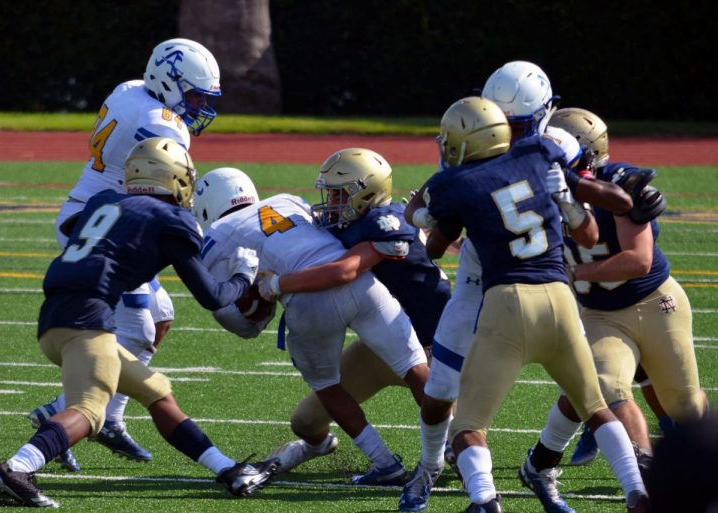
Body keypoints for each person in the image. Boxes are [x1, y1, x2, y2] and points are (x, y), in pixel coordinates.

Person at [0, 137, 278, 508]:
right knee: (91, 410)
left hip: (57, 315)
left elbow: (83, 227)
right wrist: (243, 273)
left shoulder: (102, 201)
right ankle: (16, 467)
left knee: (156, 389)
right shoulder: (172, 219)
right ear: (174, 178)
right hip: (87, 319)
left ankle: (226, 469)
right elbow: (213, 297)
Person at [397, 60, 620, 512]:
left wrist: (418, 215)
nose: (508, 130)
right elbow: (445, 222)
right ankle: (429, 467)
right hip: (482, 283)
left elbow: (592, 211)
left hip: (542, 283)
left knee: (584, 392)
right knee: (440, 392)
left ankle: (540, 467)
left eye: (515, 122)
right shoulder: (483, 137)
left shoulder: (552, 149)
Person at [27, 37, 222, 467]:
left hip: (94, 212)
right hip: (102, 224)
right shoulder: (164, 125)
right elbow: (174, 185)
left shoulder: (129, 89)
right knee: (137, 329)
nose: (199, 106)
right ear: (168, 82)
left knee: (162, 314)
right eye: (193, 95)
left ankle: (109, 417)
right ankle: (62, 414)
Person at [194, 167, 429, 487]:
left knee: (328, 386)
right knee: (413, 365)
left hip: (307, 301)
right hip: (360, 282)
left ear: (205, 207)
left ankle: (385, 464)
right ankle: (452, 444)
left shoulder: (216, 234)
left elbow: (240, 322)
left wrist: (257, 304)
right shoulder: (286, 199)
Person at [248, 149, 450, 473]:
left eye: (340, 193)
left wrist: (279, 284)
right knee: (306, 421)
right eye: (330, 192)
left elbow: (343, 271)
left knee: (461, 431)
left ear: (367, 193)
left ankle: (461, 458)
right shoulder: (352, 224)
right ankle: (315, 446)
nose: (331, 201)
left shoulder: (383, 224)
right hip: (381, 345)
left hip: (439, 349)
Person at [536, 108, 705, 478]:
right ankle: (644, 478)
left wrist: (575, 272)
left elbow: (639, 260)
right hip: (599, 313)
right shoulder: (536, 187)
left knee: (685, 403)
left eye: (552, 145)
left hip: (656, 302)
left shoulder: (617, 184)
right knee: (607, 387)